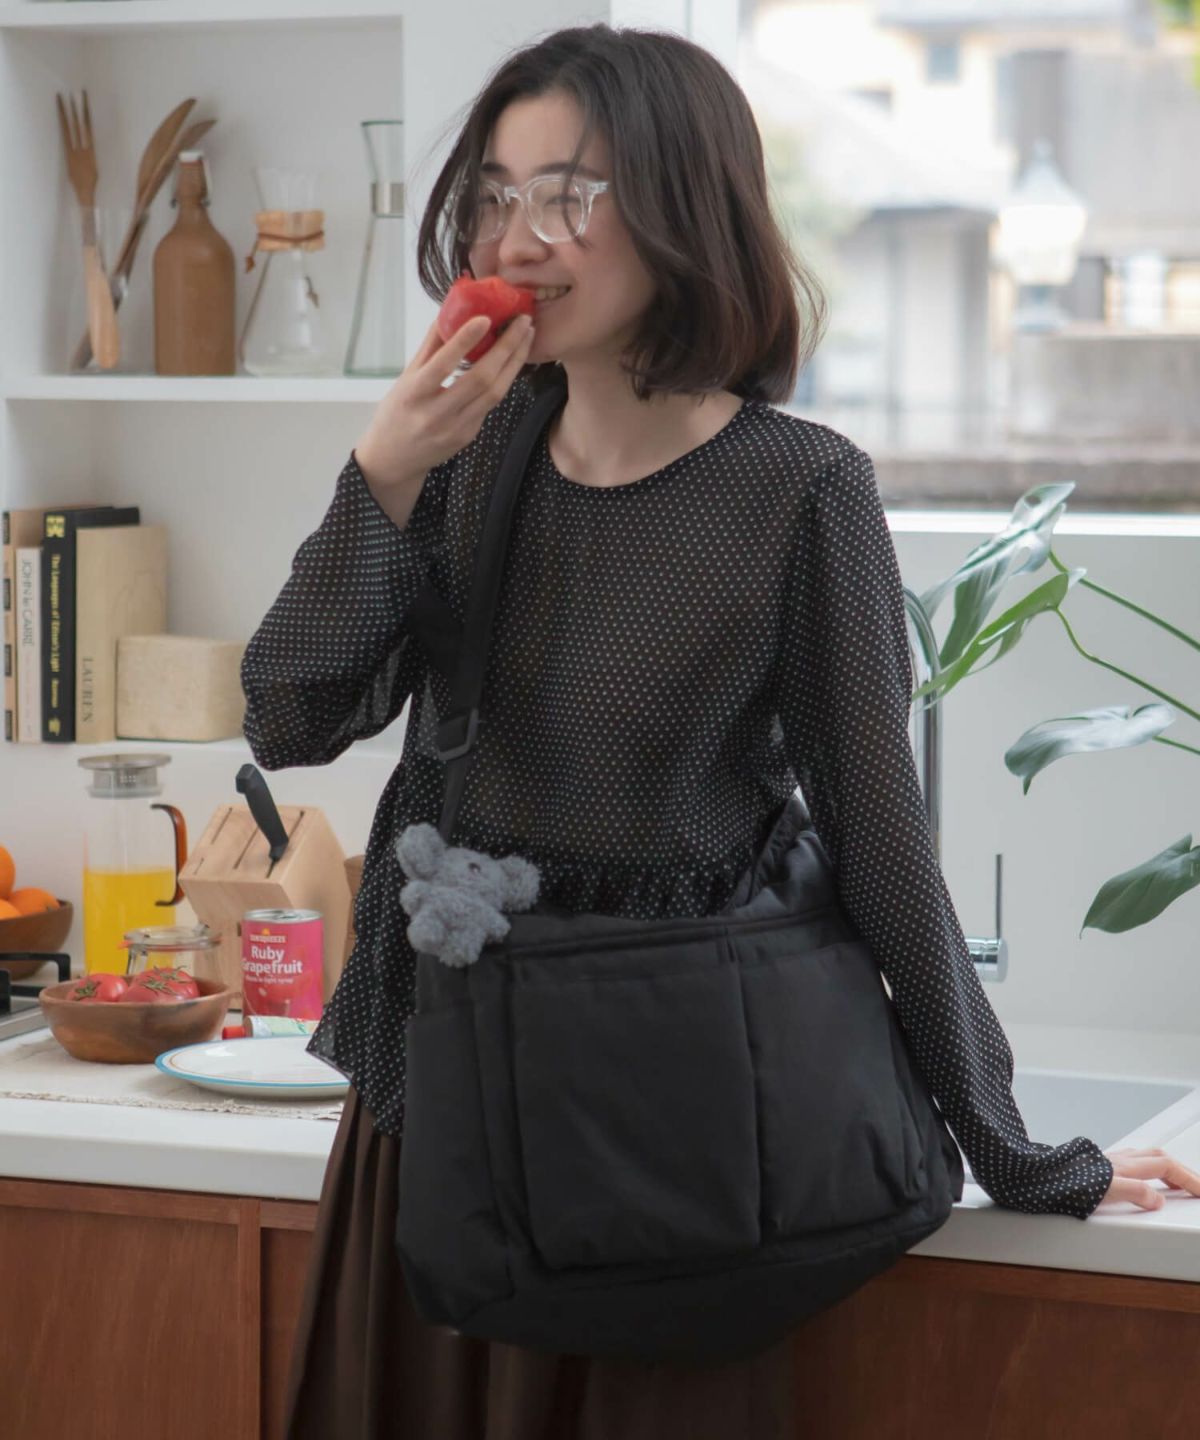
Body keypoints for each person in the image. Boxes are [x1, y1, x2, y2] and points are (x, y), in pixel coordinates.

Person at [240, 23, 1200, 1440]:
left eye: (570, 193)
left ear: (684, 209)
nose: (519, 236)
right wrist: (381, 471)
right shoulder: (466, 456)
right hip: (439, 1113)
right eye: (497, 194)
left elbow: (882, 846)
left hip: (661, 1142)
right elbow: (289, 714)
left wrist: (1016, 1152)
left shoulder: (800, 492)